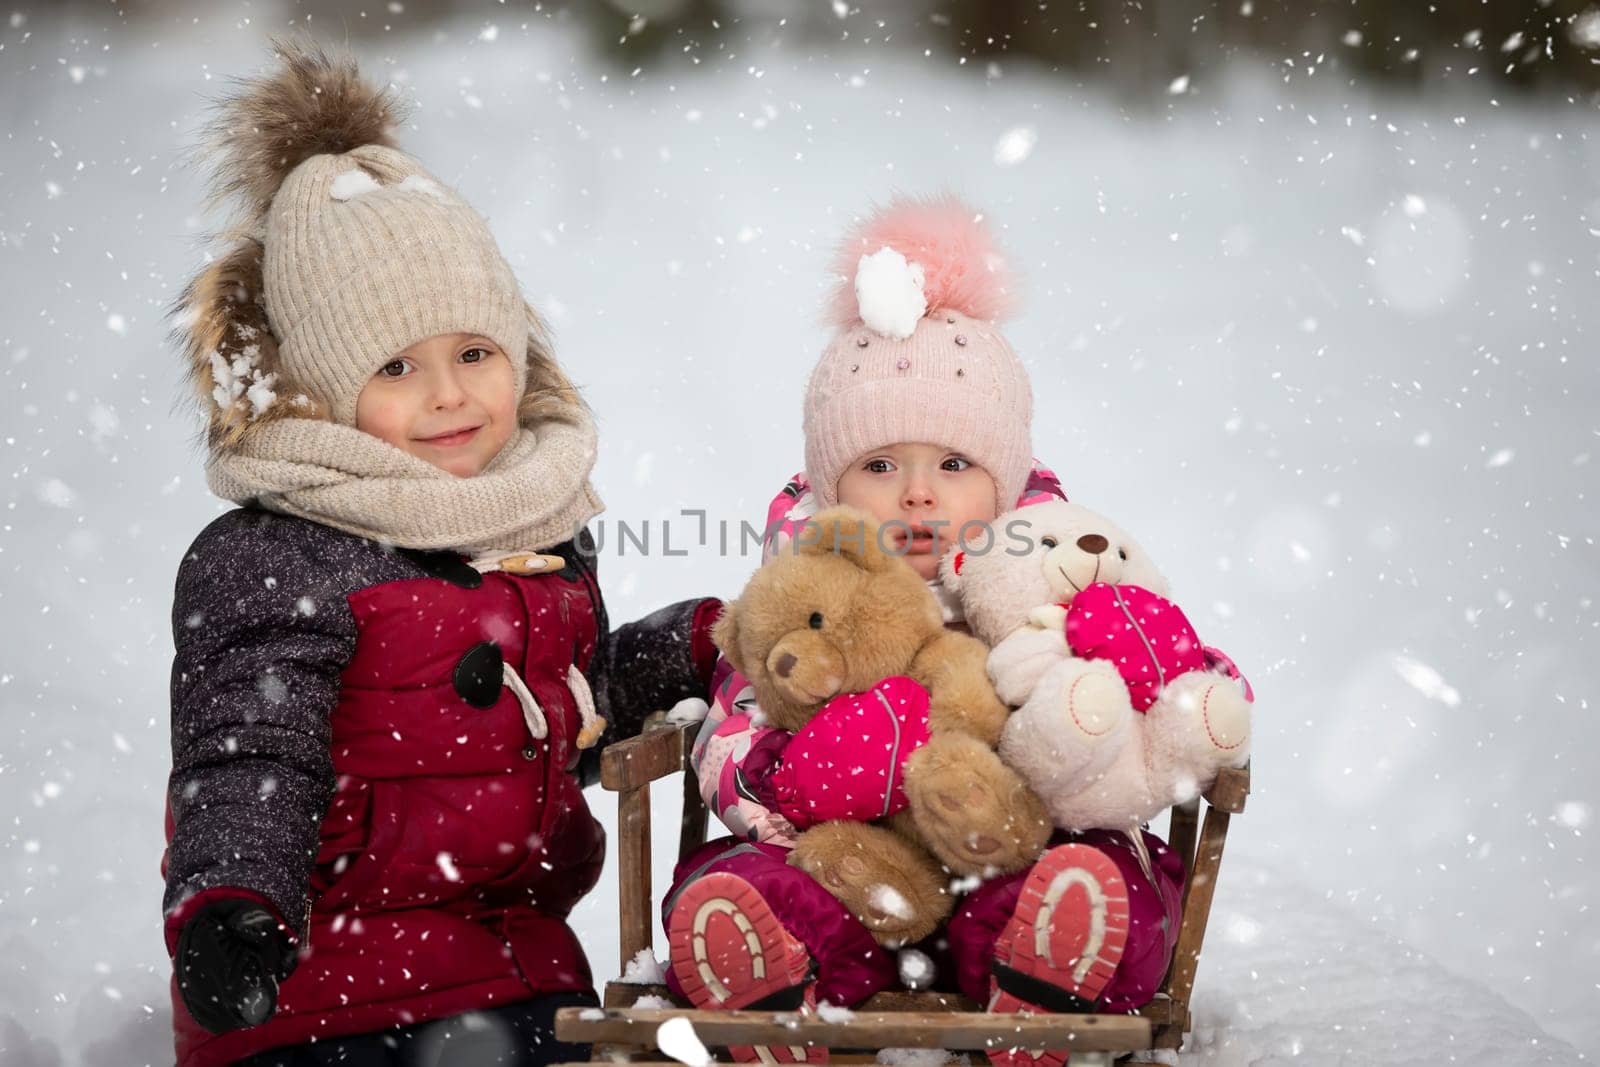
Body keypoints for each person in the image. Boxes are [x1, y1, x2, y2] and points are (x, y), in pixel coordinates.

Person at [160, 41, 721, 1067]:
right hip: (320, 995)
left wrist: (694, 648)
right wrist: (229, 904)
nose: (450, 393)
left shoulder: (533, 527)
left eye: (474, 351)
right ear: (323, 392)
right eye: (397, 366)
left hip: (517, 972)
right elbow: (250, 752)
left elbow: (570, 707)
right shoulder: (279, 551)